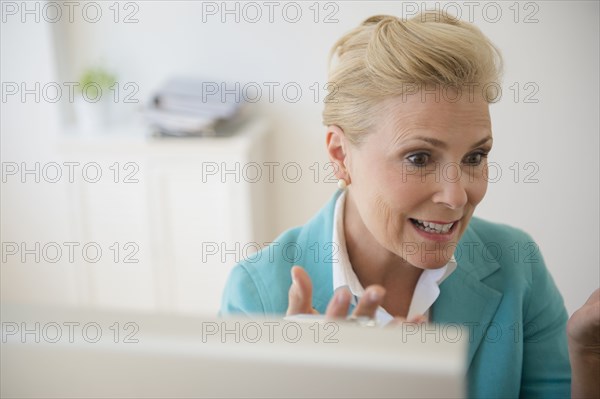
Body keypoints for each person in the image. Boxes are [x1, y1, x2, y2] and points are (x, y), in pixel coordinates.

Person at [220, 12, 599, 398]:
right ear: (340, 154)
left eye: (474, 157)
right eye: (418, 158)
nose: (456, 197)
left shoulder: (518, 267)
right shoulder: (258, 297)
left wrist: (586, 357)